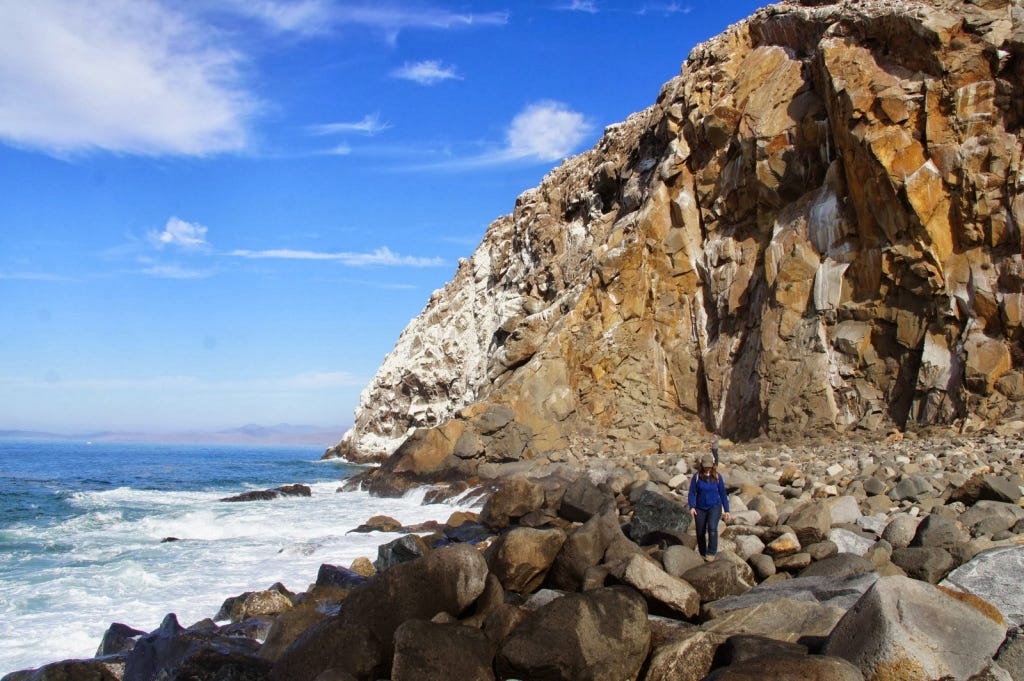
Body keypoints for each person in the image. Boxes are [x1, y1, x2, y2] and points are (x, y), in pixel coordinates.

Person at [688, 453, 731, 561]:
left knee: (712, 528)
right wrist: (692, 506)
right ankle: (703, 553)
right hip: (700, 508)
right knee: (700, 531)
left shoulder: (717, 476)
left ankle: (711, 552)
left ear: (712, 465)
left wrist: (727, 510)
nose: (707, 468)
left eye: (709, 466)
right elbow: (692, 493)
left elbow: (722, 494)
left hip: (714, 506)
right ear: (702, 465)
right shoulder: (697, 477)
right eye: (705, 466)